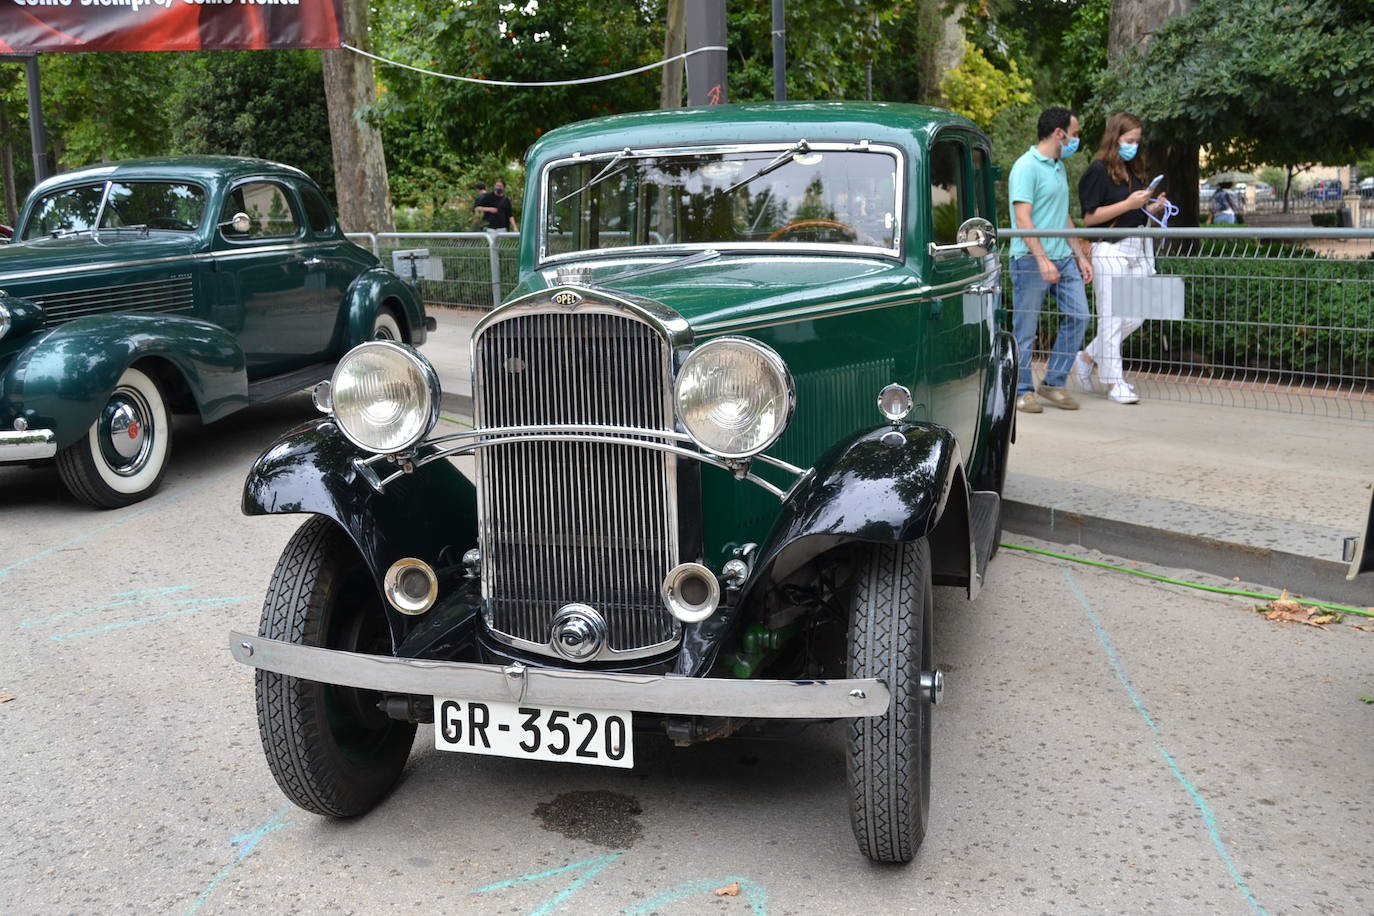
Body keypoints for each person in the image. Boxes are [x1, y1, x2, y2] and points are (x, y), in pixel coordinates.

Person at [1075, 111, 1170, 405]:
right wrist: (1128, 203)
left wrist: (1150, 208)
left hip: (1138, 247)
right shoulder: (1097, 171)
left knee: (1137, 314)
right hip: (1110, 249)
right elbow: (1090, 219)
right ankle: (1115, 382)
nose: (1134, 145)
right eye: (1130, 140)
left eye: (1137, 141)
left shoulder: (1133, 170)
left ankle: (1088, 355)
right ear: (1115, 138)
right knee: (1112, 316)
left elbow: (1130, 213)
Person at [1009, 107, 1095, 414]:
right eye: (1075, 133)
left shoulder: (1059, 167)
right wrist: (1043, 259)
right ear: (1060, 133)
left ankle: (1053, 382)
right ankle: (1021, 390)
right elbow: (1023, 218)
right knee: (1025, 329)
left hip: (1064, 258)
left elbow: (1063, 217)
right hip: (1031, 261)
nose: (1077, 139)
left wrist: (1079, 255)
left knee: (1080, 316)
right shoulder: (1025, 167)